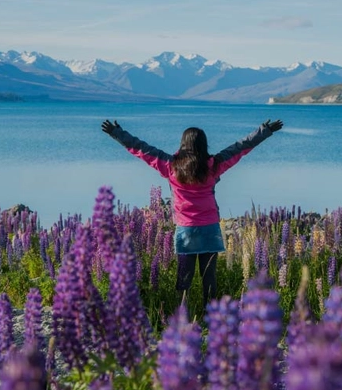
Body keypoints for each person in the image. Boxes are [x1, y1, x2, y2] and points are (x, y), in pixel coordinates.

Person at [101, 118, 283, 301]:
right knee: (209, 277)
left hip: (186, 229)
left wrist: (116, 133)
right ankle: (211, 315)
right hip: (210, 228)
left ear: (183, 144)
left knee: (184, 278)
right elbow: (240, 148)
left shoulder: (170, 165)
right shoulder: (214, 165)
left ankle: (183, 313)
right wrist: (265, 130)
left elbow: (142, 149)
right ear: (204, 144)